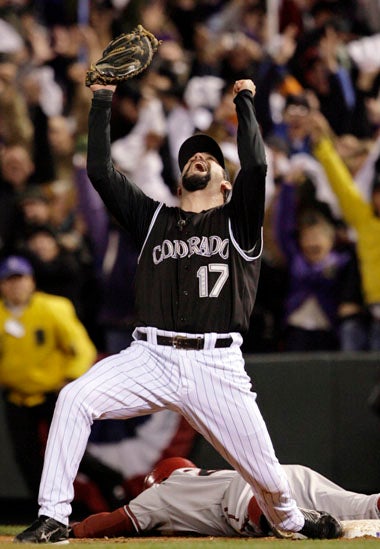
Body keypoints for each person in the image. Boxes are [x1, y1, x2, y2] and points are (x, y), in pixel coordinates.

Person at [14, 78, 342, 543]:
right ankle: (52, 516)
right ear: (178, 176)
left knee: (270, 480)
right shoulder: (153, 219)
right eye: (191, 154)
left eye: (208, 156)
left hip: (216, 363)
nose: (198, 157)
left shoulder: (238, 220)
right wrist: (103, 99)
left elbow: (258, 163)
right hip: (149, 355)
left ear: (226, 184)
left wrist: (245, 99)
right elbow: (101, 172)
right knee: (74, 399)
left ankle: (292, 521)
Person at [70, 456, 380, 540]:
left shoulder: (161, 494)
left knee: (259, 513)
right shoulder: (199, 475)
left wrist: (77, 529)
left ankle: (302, 523)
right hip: (286, 473)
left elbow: (114, 521)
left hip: (242, 495)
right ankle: (300, 517)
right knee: (362, 506)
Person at [0, 255, 96, 500]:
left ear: (31, 281)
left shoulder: (53, 307)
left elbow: (83, 349)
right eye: (9, 281)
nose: (16, 286)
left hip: (52, 394)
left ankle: (114, 488)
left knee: (69, 451)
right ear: (2, 286)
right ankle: (40, 509)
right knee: (26, 456)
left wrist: (70, 378)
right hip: (16, 397)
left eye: (20, 279)